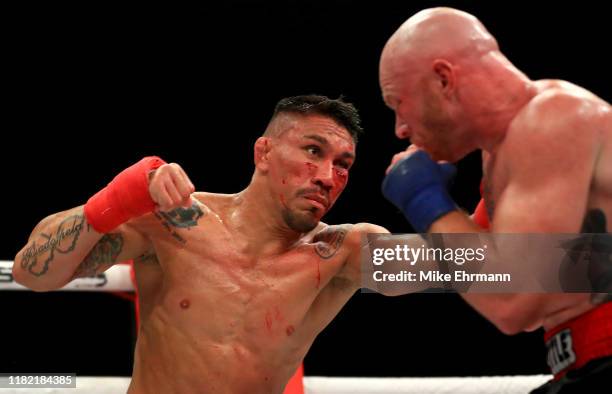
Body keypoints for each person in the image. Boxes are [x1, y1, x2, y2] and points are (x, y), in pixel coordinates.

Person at [13, 95, 388, 394]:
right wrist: (118, 197)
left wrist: (430, 197)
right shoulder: (174, 222)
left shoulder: (343, 250)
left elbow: (443, 267)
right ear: (264, 153)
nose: (327, 176)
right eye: (312, 151)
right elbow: (32, 273)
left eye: (343, 164)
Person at [379, 7, 612, 393]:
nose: (400, 128)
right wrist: (351, 256)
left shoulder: (554, 119)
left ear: (443, 79)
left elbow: (512, 300)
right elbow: (477, 273)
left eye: (397, 104)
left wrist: (423, 198)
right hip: (581, 364)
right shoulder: (503, 156)